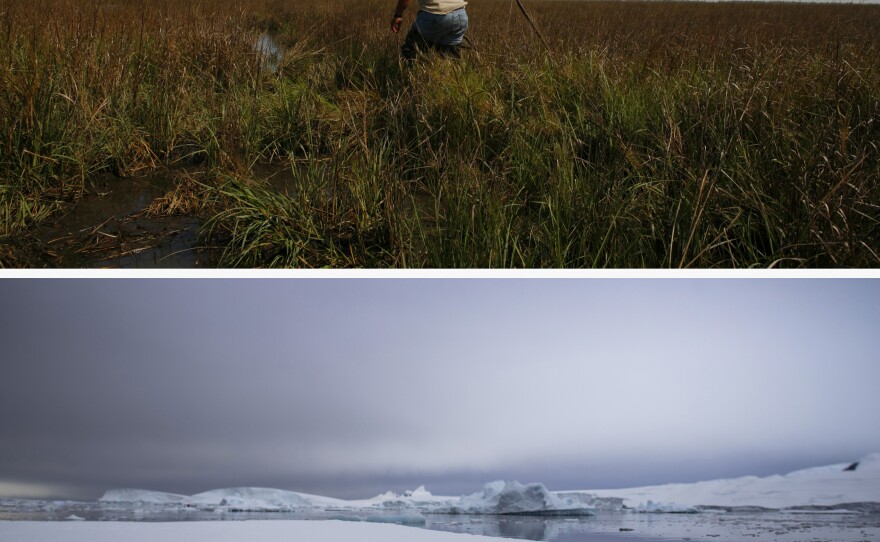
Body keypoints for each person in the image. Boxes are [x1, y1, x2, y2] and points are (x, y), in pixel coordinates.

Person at [390, 0, 469, 60]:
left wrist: (398, 15)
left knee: (410, 53)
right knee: (451, 60)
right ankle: (450, 80)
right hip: (460, 15)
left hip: (435, 14)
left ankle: (408, 79)